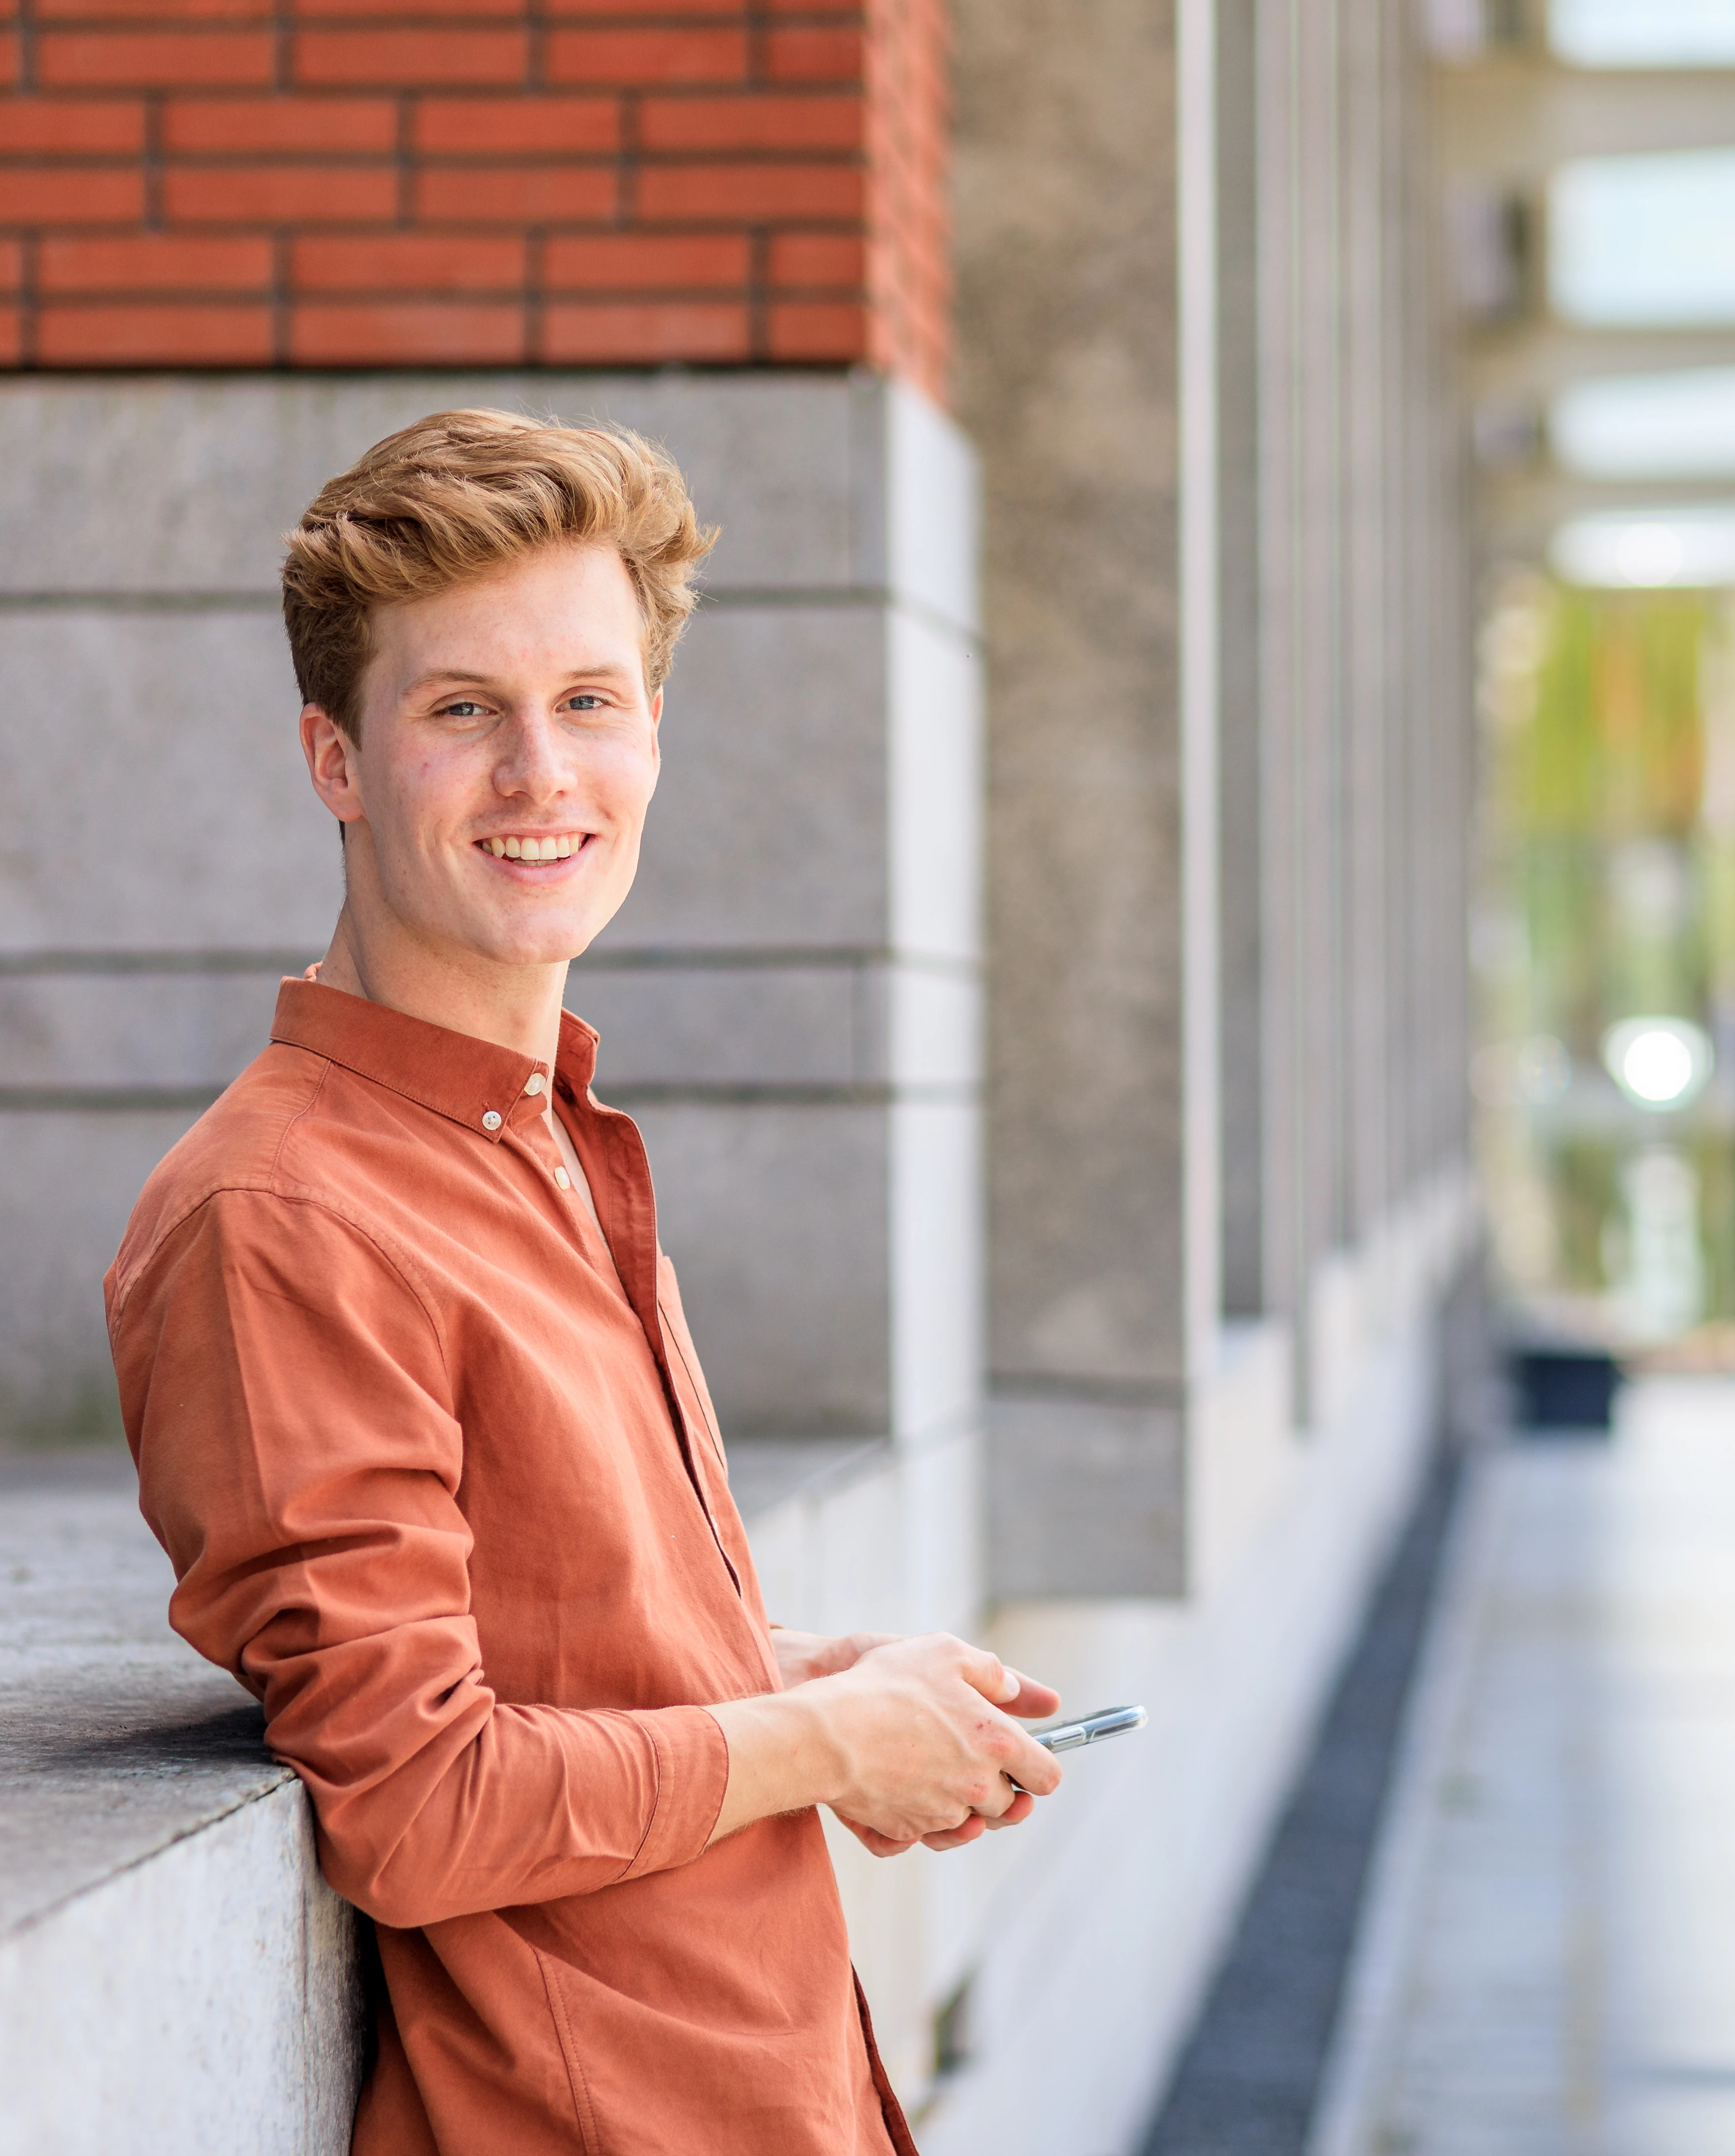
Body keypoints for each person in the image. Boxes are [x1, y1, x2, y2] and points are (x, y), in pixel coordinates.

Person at [104, 409, 1061, 2155]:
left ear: (656, 734)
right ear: (335, 759)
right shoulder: (283, 1216)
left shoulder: (543, 1137)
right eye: (464, 710)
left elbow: (550, 1636)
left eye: (591, 701)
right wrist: (825, 1740)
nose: (542, 774)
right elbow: (416, 1796)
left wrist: (809, 1673)